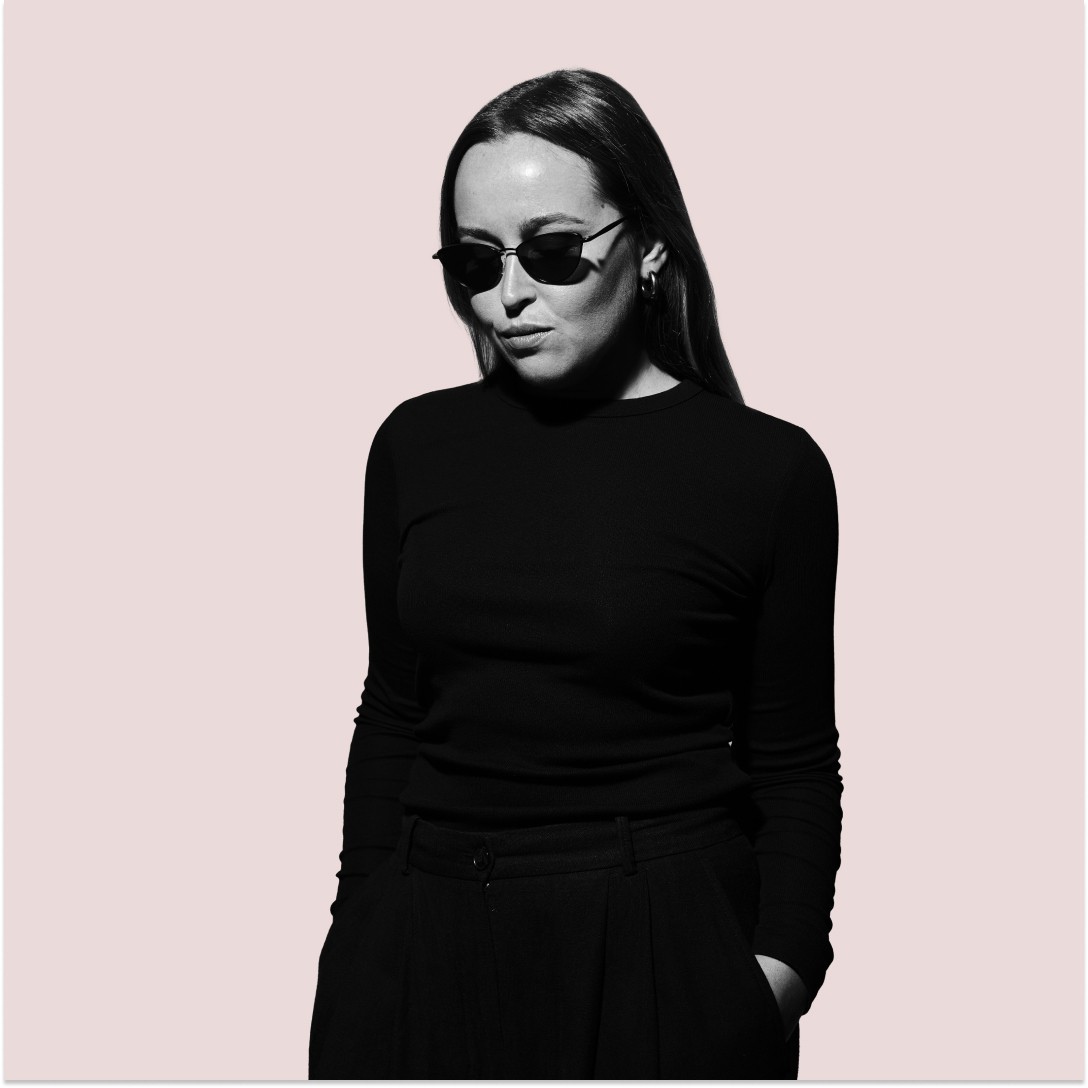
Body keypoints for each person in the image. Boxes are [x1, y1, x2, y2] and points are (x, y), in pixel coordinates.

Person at [308, 67, 842, 1080]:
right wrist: (357, 937)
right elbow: (394, 712)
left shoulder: (765, 469)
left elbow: (793, 757)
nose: (507, 295)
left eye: (552, 251)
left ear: (648, 247)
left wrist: (777, 972)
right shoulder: (415, 446)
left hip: (660, 942)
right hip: (422, 938)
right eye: (475, 260)